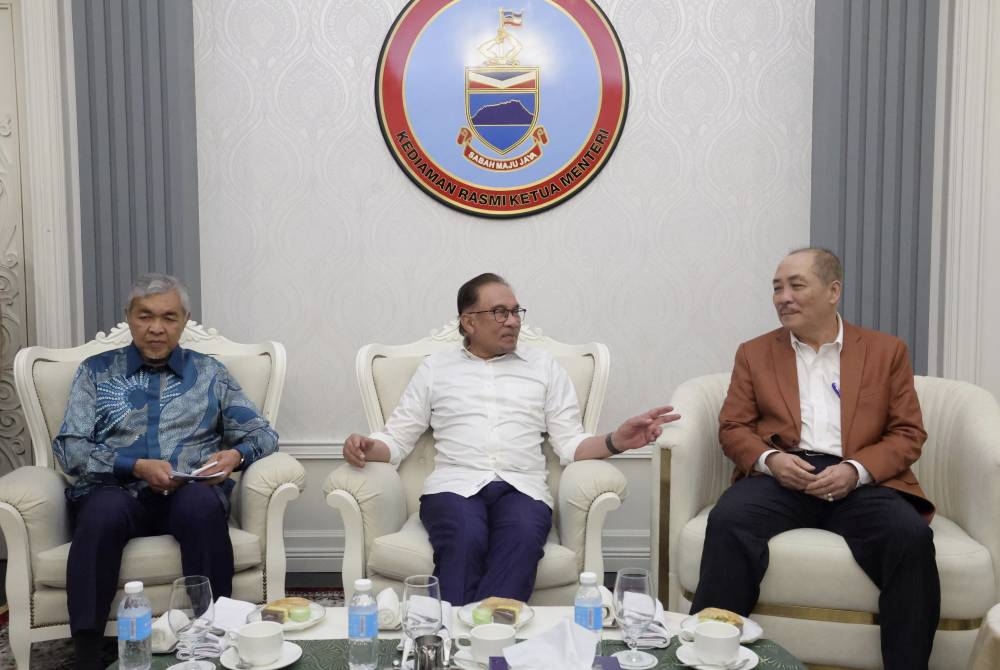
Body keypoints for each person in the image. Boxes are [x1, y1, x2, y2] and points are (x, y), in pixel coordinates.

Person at [344, 273, 679, 605]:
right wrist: (366, 447)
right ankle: (453, 640)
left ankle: (488, 635)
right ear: (469, 321)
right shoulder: (436, 369)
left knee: (521, 537)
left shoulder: (544, 367)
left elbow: (570, 443)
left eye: (516, 312)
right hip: (454, 486)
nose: (513, 322)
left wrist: (616, 441)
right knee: (464, 536)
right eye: (500, 312)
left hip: (523, 488)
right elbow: (398, 439)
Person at [691, 248, 939, 669]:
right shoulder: (754, 353)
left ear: (833, 291)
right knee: (729, 520)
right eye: (776, 288)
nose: (782, 297)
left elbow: (908, 434)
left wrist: (855, 471)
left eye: (796, 285)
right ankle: (710, 658)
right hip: (783, 477)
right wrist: (771, 460)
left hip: (860, 480)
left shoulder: (885, 351)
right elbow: (733, 428)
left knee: (910, 538)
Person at [53, 273, 279, 670]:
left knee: (202, 508)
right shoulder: (96, 372)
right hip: (114, 492)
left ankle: (211, 635)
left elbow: (263, 434)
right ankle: (87, 651)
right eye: (145, 316)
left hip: (185, 491)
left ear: (185, 320)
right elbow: (70, 449)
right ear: (129, 317)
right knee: (102, 514)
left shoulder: (211, 374)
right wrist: (134, 465)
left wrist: (235, 457)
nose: (156, 328)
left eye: (169, 317)